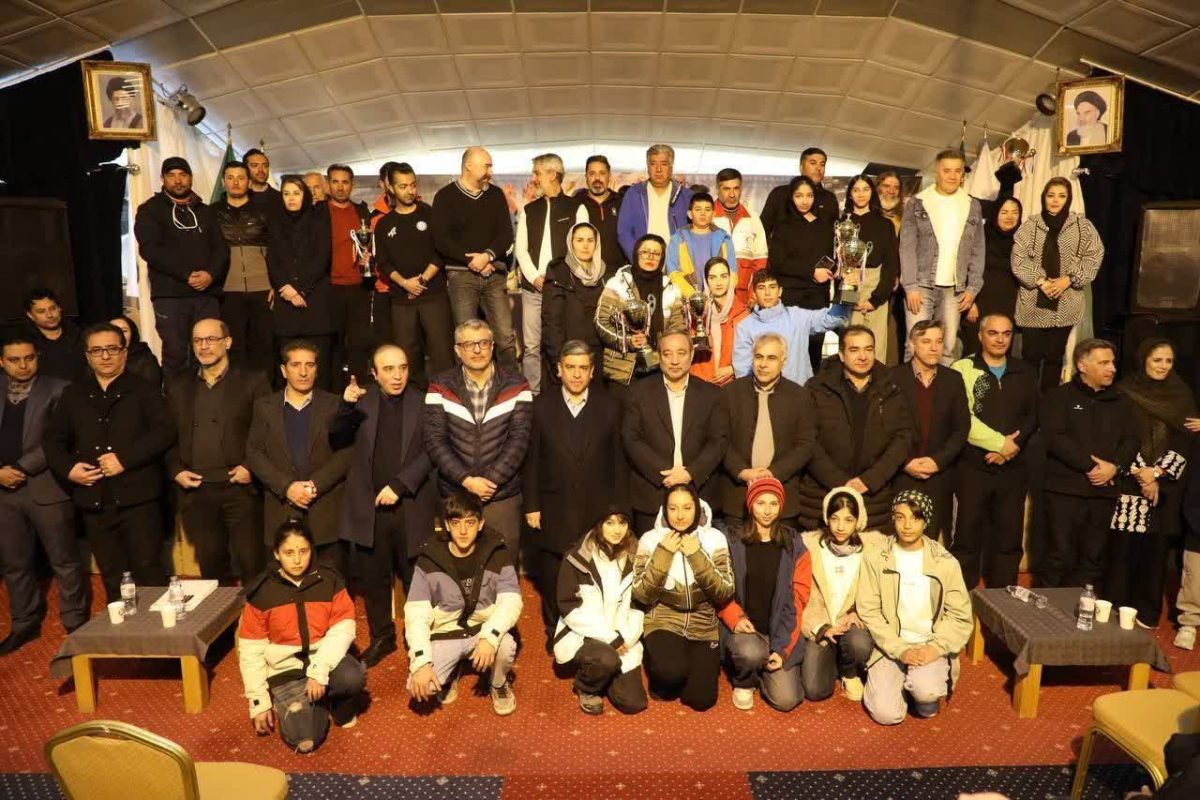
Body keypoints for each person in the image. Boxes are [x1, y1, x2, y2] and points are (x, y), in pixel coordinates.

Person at [43, 322, 175, 601]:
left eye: (112, 349)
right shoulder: (73, 393)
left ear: (124, 352)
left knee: (148, 569)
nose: (105, 356)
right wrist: (69, 469)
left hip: (139, 499)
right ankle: (123, 626)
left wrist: (125, 459)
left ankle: (158, 628)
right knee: (112, 574)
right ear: (87, 356)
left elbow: (164, 432)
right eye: (97, 350)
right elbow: (53, 439)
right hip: (94, 498)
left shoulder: (144, 389)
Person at [329, 343, 437, 666]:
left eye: (402, 367)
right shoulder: (361, 402)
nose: (397, 375)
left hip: (411, 505)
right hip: (369, 509)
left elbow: (433, 450)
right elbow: (336, 437)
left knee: (416, 579)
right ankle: (382, 637)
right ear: (374, 374)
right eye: (388, 369)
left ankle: (418, 638)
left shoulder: (424, 401)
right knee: (374, 580)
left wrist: (400, 485)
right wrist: (345, 406)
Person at [524, 341, 625, 644]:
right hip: (553, 505)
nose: (577, 374)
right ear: (559, 369)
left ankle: (592, 631)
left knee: (594, 571)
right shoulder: (540, 406)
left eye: (583, 368)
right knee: (553, 572)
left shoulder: (610, 406)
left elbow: (618, 461)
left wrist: (618, 510)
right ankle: (555, 630)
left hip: (597, 506)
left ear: (593, 371)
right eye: (570, 367)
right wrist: (532, 505)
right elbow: (532, 460)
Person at [238, 522, 364, 753]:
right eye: (289, 553)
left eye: (303, 551)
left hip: (324, 660)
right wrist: (258, 702)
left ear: (312, 550)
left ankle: (332, 704)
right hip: (285, 669)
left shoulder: (329, 579)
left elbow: (343, 629)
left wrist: (319, 671)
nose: (297, 560)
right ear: (276, 554)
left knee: (352, 677)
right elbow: (250, 651)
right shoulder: (261, 592)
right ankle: (308, 705)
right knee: (305, 741)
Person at [0, 335, 88, 655]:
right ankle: (24, 623)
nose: (23, 365)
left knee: (64, 560)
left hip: (46, 486)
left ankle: (75, 622)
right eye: (15, 360)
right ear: (2, 362)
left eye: (29, 358)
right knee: (14, 563)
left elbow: (58, 438)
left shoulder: (59, 388)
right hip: (3, 492)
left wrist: (20, 468)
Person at [166, 319, 270, 584]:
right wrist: (176, 470)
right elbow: (166, 435)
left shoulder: (252, 380)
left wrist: (250, 467)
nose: (204, 346)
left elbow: (267, 430)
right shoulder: (179, 385)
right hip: (197, 492)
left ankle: (256, 613)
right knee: (211, 569)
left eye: (211, 339)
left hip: (241, 490)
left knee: (252, 564)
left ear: (228, 342)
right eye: (198, 341)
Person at [857, 490, 973, 725]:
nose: (907, 525)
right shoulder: (876, 557)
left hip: (928, 644)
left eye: (915, 518)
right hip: (890, 646)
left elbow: (960, 616)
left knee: (926, 697)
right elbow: (869, 610)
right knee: (886, 715)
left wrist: (935, 648)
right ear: (893, 519)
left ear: (925, 521)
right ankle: (898, 682)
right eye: (901, 517)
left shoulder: (945, 562)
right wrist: (899, 649)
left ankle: (918, 689)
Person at [404, 491, 522, 715]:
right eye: (456, 523)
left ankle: (498, 683)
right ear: (447, 526)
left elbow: (511, 601)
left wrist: (490, 637)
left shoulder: (497, 551)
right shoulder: (429, 558)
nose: (463, 531)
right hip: (446, 632)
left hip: (482, 630)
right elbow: (416, 613)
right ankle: (454, 668)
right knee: (421, 687)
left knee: (506, 645)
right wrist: (421, 661)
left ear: (480, 524)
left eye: (470, 522)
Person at [425, 319, 532, 562]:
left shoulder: (517, 384)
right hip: (455, 493)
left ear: (492, 346)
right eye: (469, 344)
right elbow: (435, 440)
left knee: (502, 568)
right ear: (457, 350)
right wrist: (466, 480)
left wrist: (490, 481)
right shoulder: (439, 386)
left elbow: (520, 439)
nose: (477, 350)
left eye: (483, 343)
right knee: (457, 569)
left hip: (501, 495)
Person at [1108, 339, 1196, 629]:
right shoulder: (1124, 392)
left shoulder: (1182, 395)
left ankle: (1146, 611)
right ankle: (1117, 607)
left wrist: (1157, 473)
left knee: (1155, 552)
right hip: (1130, 481)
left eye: (1168, 361)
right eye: (1157, 360)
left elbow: (1185, 441)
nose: (1163, 366)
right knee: (1123, 550)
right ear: (1143, 359)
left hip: (1166, 486)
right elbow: (1118, 436)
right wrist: (1141, 473)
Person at [1038, 338, 1139, 589]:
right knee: (1058, 556)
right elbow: (1054, 437)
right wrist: (1090, 466)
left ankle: (1081, 610)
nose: (1112, 368)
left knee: (1092, 560)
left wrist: (1115, 467)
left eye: (1112, 363)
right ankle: (1045, 611)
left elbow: (1132, 440)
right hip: (1064, 492)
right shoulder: (1058, 397)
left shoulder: (1123, 401)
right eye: (1104, 363)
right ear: (1082, 366)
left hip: (1104, 493)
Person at [245, 339, 351, 573]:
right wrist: (286, 487)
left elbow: (347, 452)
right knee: (281, 588)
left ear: (317, 369)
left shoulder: (335, 405)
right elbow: (254, 452)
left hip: (325, 512)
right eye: (296, 365)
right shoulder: (264, 407)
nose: (303, 372)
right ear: (284, 370)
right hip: (281, 510)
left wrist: (315, 485)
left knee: (330, 583)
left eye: (309, 365)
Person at [950, 313, 1039, 589]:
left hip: (1013, 467)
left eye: (1006, 334)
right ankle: (961, 593)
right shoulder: (962, 368)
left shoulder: (1025, 371)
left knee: (1009, 537)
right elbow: (962, 418)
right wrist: (1000, 444)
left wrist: (1012, 448)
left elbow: (1033, 415)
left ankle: (1003, 594)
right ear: (980, 336)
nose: (1000, 339)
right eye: (993, 333)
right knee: (966, 534)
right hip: (973, 466)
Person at [797, 326, 913, 532]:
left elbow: (902, 438)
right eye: (854, 350)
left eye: (868, 349)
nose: (863, 356)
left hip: (874, 498)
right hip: (822, 496)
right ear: (841, 355)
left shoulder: (891, 388)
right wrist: (840, 482)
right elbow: (807, 440)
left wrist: (870, 480)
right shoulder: (817, 388)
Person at [633, 483, 734, 711]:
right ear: (665, 509)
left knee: (701, 700)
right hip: (664, 619)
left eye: (687, 508)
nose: (680, 515)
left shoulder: (715, 538)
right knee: (669, 673)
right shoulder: (650, 539)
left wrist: (696, 554)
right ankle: (662, 670)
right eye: (673, 508)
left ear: (696, 507)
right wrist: (663, 553)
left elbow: (724, 591)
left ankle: (682, 664)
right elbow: (641, 594)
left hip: (703, 624)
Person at [622, 330, 728, 536]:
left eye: (681, 353)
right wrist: (664, 474)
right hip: (652, 496)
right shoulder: (638, 393)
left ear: (691, 355)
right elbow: (631, 438)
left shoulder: (712, 395)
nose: (674, 361)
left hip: (700, 494)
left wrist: (690, 473)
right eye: (667, 353)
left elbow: (718, 440)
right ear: (658, 356)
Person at [719, 478, 810, 712]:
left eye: (773, 503)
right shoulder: (733, 540)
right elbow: (721, 587)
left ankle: (763, 669)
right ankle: (745, 680)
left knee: (786, 700)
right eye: (760, 503)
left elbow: (798, 599)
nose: (767, 510)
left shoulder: (794, 544)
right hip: (746, 630)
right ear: (750, 505)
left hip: (778, 630)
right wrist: (734, 617)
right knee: (750, 653)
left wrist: (781, 650)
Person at [133, 157, 229, 376]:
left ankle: (209, 395)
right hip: (170, 296)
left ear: (190, 178)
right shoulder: (150, 210)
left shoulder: (205, 211)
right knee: (176, 353)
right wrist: (185, 274)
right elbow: (150, 250)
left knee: (210, 351)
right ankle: (176, 397)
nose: (178, 181)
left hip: (206, 295)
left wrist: (211, 275)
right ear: (162, 179)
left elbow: (221, 249)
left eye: (183, 175)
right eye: (171, 175)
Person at [1012, 177, 1105, 392]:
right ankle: (1027, 401)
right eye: (1051, 195)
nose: (1055, 200)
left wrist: (1069, 279)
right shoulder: (1030, 226)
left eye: (1062, 196)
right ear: (1043, 197)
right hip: (1033, 304)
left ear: (1069, 199)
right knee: (1031, 356)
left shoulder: (1082, 226)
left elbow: (1094, 255)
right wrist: (1041, 281)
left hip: (1066, 303)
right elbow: (1018, 259)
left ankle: (1049, 401)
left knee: (1054, 357)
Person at [553, 509, 648, 715]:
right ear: (599, 525)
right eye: (610, 523)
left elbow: (638, 605)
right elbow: (568, 607)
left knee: (634, 703)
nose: (617, 530)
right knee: (605, 659)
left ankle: (604, 675)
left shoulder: (636, 556)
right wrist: (610, 638)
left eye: (622, 523)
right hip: (585, 635)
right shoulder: (577, 558)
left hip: (622, 637)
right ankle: (587, 686)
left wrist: (627, 638)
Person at [432, 147, 518, 373]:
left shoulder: (495, 195)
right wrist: (471, 261)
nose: (491, 171)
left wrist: (487, 256)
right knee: (466, 339)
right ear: (469, 165)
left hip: (494, 274)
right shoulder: (445, 196)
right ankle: (467, 386)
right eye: (486, 166)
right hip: (461, 276)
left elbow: (506, 234)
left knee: (505, 337)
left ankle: (511, 385)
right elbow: (441, 239)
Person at [800, 487, 886, 703]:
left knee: (859, 643)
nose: (840, 526)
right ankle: (833, 658)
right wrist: (821, 628)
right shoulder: (809, 547)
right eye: (835, 518)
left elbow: (880, 592)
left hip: (851, 625)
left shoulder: (872, 550)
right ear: (827, 518)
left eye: (848, 520)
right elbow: (799, 596)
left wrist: (858, 610)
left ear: (858, 521)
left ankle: (849, 671)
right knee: (815, 690)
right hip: (821, 625)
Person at [721, 332, 816, 527]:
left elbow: (806, 444)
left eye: (771, 358)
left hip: (784, 500)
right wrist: (741, 471)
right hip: (737, 500)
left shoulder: (800, 396)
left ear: (784, 361)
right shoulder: (730, 393)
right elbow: (720, 440)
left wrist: (773, 473)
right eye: (759, 357)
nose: (763, 364)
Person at [899, 150, 984, 365]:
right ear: (936, 172)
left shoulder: (972, 205)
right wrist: (911, 286)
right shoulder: (918, 202)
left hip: (955, 289)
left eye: (957, 171)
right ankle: (911, 388)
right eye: (947, 171)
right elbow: (907, 247)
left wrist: (972, 288)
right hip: (921, 286)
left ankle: (943, 387)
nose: (953, 176)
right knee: (915, 345)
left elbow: (977, 249)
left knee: (947, 347)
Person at [374, 162, 453, 390]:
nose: (409, 190)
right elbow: (383, 263)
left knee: (441, 353)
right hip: (401, 300)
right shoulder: (384, 224)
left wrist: (422, 280)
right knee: (407, 356)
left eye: (412, 185)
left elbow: (440, 252)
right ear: (390, 188)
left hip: (434, 296)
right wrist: (405, 283)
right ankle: (413, 400)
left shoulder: (430, 214)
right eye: (402, 186)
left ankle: (447, 397)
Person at [891, 320, 970, 542]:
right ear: (912, 345)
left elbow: (961, 428)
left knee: (932, 543)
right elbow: (883, 429)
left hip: (939, 475)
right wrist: (905, 462)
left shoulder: (953, 379)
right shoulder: (892, 378)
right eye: (926, 341)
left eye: (938, 341)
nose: (934, 347)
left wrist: (938, 461)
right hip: (901, 473)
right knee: (899, 542)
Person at [514, 153, 579, 394]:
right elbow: (521, 250)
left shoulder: (576, 207)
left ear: (553, 174)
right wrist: (535, 278)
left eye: (537, 173)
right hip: (533, 289)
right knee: (532, 347)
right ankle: (533, 395)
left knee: (563, 343)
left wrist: (557, 279)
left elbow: (581, 248)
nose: (534, 178)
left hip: (563, 288)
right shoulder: (529, 210)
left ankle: (564, 391)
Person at [268, 175, 334, 389]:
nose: (291, 198)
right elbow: (272, 260)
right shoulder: (275, 223)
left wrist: (300, 290)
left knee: (318, 365)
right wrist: (285, 289)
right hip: (285, 302)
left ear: (305, 195)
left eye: (296, 193)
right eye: (286, 193)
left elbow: (322, 258)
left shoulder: (319, 220)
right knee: (289, 363)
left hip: (314, 301)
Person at [593, 233, 682, 388]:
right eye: (645, 252)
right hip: (622, 372)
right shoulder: (617, 284)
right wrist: (628, 341)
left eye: (656, 253)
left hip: (659, 369)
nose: (650, 257)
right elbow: (601, 322)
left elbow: (678, 327)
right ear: (636, 254)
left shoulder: (671, 289)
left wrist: (665, 350)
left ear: (662, 258)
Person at [768, 175, 838, 370]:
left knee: (814, 352)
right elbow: (778, 263)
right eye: (799, 195)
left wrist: (833, 269)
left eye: (809, 195)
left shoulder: (826, 226)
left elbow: (832, 256)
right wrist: (811, 272)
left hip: (817, 296)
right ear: (791, 197)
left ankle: (812, 388)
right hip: (791, 296)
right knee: (788, 351)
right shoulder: (782, 226)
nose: (805, 200)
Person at [733, 270, 848, 387]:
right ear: (754, 293)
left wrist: (849, 288)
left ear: (780, 291)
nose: (767, 293)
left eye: (772, 287)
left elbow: (835, 318)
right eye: (761, 288)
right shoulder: (745, 327)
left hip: (801, 393)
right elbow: (743, 371)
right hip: (763, 394)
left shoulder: (797, 317)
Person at [214, 160, 274, 378]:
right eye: (230, 178)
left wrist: (276, 284)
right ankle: (237, 392)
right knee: (234, 347)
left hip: (263, 289)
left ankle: (265, 393)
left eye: (241, 178)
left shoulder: (265, 212)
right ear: (223, 182)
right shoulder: (212, 213)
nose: (236, 182)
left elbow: (277, 250)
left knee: (265, 346)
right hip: (228, 290)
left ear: (249, 182)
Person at [323, 164, 373, 383]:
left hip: (358, 287)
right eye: (335, 182)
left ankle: (358, 388)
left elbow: (370, 245)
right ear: (328, 184)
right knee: (333, 345)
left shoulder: (362, 212)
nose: (340, 187)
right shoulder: (319, 213)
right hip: (329, 287)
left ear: (352, 185)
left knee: (359, 344)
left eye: (345, 182)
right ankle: (333, 392)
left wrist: (369, 258)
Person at [542, 222, 611, 377]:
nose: (585, 246)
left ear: (596, 243)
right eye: (579, 240)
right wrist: (558, 362)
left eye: (590, 240)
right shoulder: (559, 272)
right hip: (570, 356)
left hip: (600, 356)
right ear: (571, 242)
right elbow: (551, 323)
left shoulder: (606, 275)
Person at [842, 175, 900, 358]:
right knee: (851, 344)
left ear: (872, 192)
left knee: (876, 347)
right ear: (850, 194)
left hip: (876, 285)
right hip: (849, 283)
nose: (861, 194)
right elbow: (838, 262)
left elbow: (891, 264)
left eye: (865, 189)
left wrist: (876, 299)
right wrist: (848, 297)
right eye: (856, 190)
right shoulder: (842, 224)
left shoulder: (885, 224)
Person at [961, 197, 1023, 358]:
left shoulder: (1023, 240)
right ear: (995, 214)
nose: (1010, 217)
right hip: (979, 304)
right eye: (1004, 212)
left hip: (1008, 305)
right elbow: (965, 268)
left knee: (1001, 353)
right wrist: (970, 302)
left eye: (1015, 212)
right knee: (974, 351)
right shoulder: (980, 237)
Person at [617, 144, 693, 263]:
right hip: (643, 263)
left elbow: (698, 232)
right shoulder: (634, 194)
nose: (658, 169)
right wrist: (637, 260)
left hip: (678, 264)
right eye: (653, 164)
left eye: (664, 164)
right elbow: (624, 232)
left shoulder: (686, 196)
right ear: (648, 167)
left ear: (671, 167)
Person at [712, 167, 769, 304]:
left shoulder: (753, 217)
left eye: (736, 188)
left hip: (744, 296)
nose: (732, 194)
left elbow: (760, 260)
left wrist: (754, 292)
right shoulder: (708, 216)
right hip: (713, 293)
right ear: (717, 190)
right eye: (726, 189)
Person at [664, 192, 736, 297]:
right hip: (686, 298)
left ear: (713, 214)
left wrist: (716, 295)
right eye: (698, 209)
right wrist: (693, 296)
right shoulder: (677, 239)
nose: (703, 213)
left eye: (707, 210)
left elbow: (732, 272)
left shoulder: (724, 238)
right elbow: (672, 272)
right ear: (690, 214)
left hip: (718, 297)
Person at [689, 257, 748, 386]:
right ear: (706, 281)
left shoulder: (742, 312)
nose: (719, 282)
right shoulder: (696, 310)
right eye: (712, 277)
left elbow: (751, 352)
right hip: (700, 381)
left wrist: (733, 369)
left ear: (730, 278)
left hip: (730, 383)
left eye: (723, 276)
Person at [760, 148, 839, 239]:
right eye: (813, 163)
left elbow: (836, 233)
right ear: (801, 167)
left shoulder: (829, 198)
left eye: (822, 164)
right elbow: (761, 230)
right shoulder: (780, 194)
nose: (818, 168)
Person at [575, 155, 623, 271]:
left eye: (602, 173)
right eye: (592, 173)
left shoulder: (622, 202)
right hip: (584, 273)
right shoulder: (574, 204)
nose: (597, 178)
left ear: (609, 176)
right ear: (586, 177)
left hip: (617, 274)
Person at [24, 288, 83, 382]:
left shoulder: (79, 334)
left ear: (59, 308)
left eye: (52, 308)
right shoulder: (24, 342)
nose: (49, 315)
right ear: (30, 315)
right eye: (41, 311)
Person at [109, 315, 162, 391]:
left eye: (124, 331)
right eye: (113, 330)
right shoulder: (97, 358)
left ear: (132, 334)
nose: (119, 334)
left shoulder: (145, 359)